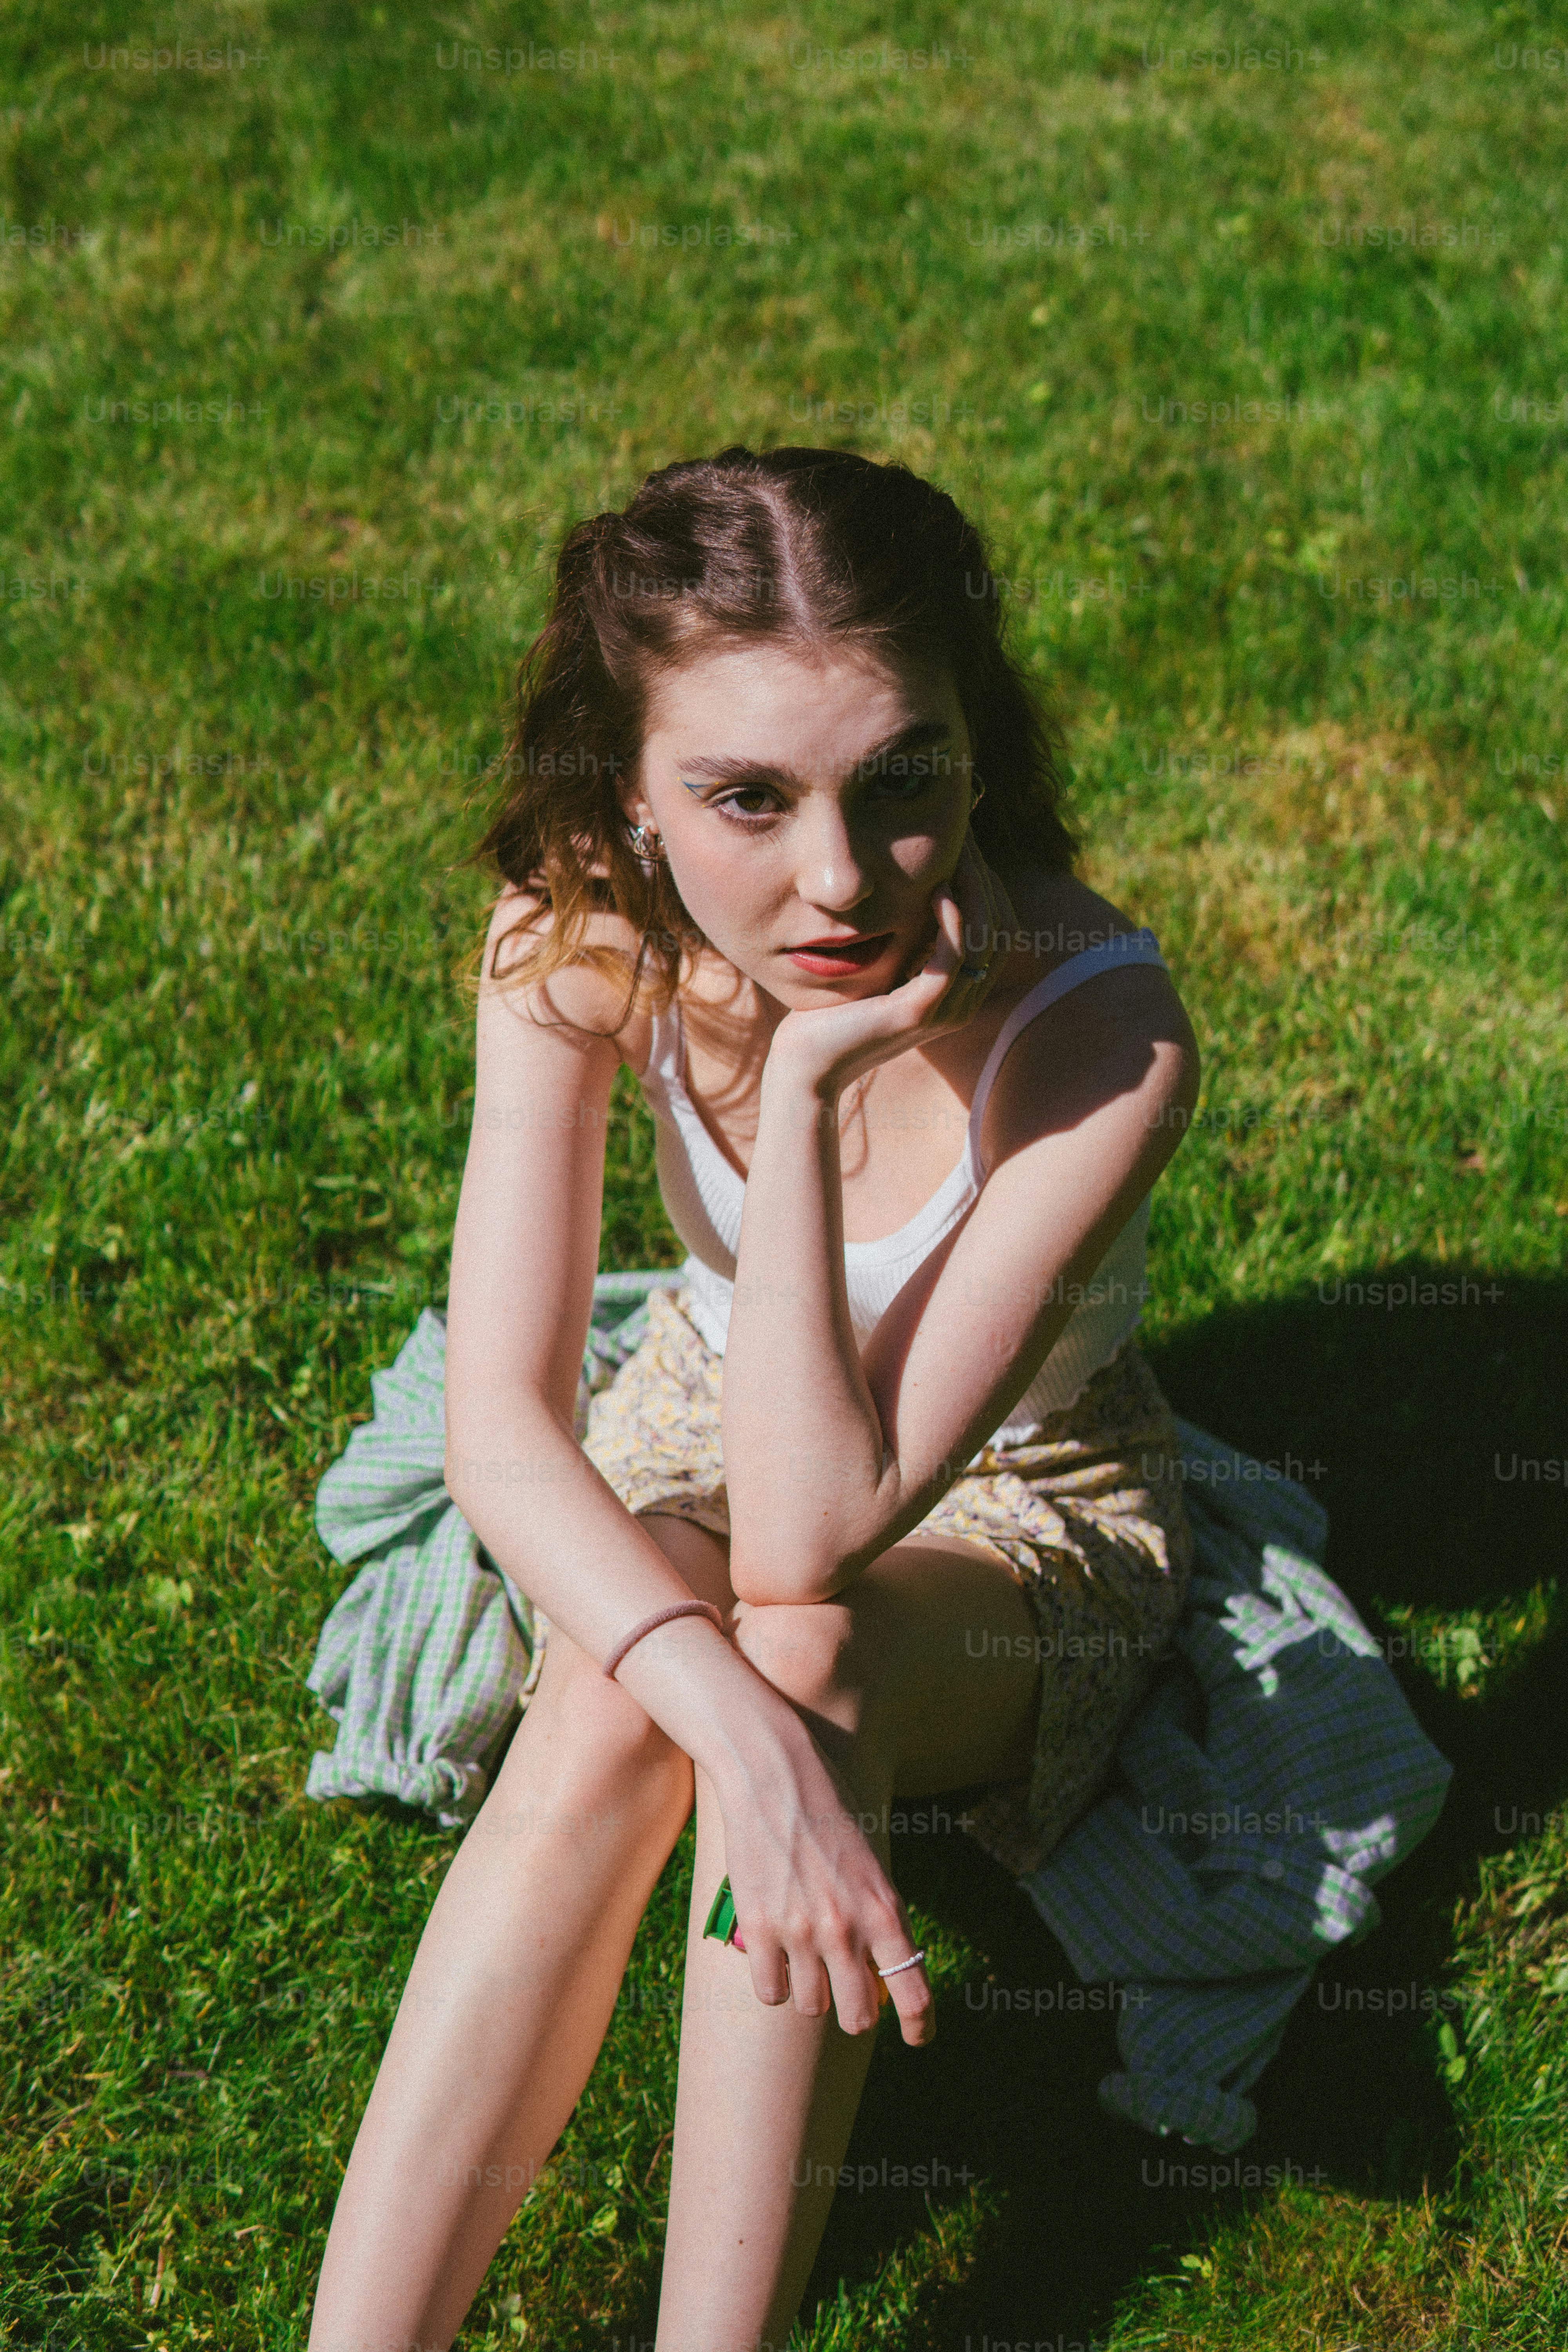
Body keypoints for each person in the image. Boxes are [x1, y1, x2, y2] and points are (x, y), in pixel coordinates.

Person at [307, 445, 1201, 2352]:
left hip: (1015, 1514)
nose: (839, 877)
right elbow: (501, 1428)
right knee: (658, 1702)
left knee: (801, 1648)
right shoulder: (572, 937)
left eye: (906, 782)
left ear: (977, 736)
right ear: (621, 793)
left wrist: (796, 1094)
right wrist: (714, 1707)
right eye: (743, 796)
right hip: (702, 1412)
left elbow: (815, 1532)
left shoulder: (1102, 1033)